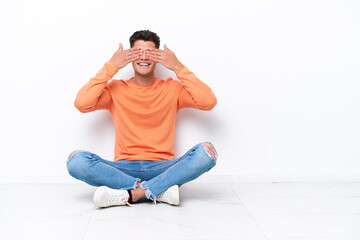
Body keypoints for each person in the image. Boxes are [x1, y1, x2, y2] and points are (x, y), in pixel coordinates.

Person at [67, 30, 218, 208]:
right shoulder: (115, 89)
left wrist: (178, 67)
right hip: (123, 168)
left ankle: (133, 194)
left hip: (163, 168)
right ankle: (158, 191)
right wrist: (111, 66)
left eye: (150, 52)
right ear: (129, 57)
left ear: (158, 57)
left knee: (207, 152)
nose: (144, 57)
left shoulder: (172, 88)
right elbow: (81, 103)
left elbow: (209, 101)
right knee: (76, 161)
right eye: (138, 52)